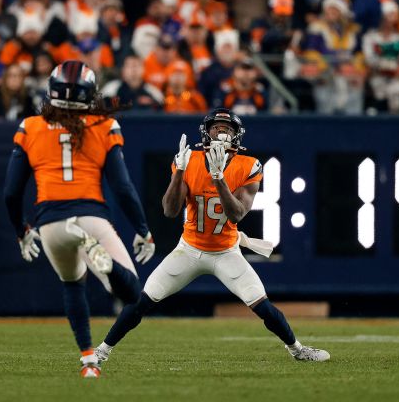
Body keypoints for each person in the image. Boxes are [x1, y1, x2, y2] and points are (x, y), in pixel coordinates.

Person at [93, 109, 331, 368]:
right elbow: (170, 210)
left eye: (227, 129)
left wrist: (219, 179)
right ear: (206, 132)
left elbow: (236, 214)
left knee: (262, 306)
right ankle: (102, 351)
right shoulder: (190, 160)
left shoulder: (248, 166)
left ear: (236, 136)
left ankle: (297, 349)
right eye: (216, 128)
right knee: (142, 301)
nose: (221, 132)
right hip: (189, 250)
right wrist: (179, 173)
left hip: (226, 252)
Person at [4, 60, 156, 378]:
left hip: (50, 224)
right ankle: (107, 265)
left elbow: (11, 192)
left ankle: (89, 362)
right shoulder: (104, 125)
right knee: (130, 294)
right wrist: (143, 229)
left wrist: (21, 230)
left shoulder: (30, 126)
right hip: (90, 217)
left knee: (72, 284)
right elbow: (123, 188)